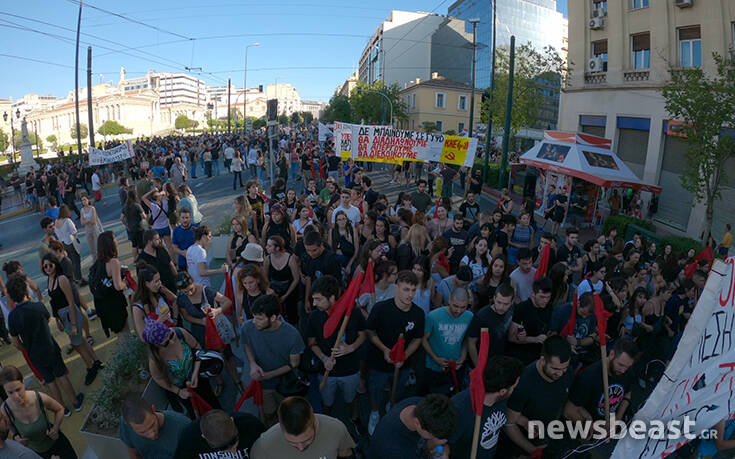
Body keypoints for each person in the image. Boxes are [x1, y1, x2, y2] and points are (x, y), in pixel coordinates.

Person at [6, 275, 85, 417]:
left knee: (50, 381)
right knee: (61, 375)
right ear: (25, 291)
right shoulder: (37, 306)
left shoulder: (13, 317)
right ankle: (75, 401)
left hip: (34, 353)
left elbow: (16, 342)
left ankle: (62, 408)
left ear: (11, 297)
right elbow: (48, 319)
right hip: (50, 347)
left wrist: (27, 348)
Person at [366, 270, 425, 434]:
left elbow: (417, 339)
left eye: (413, 290)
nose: (410, 295)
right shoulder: (380, 308)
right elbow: (370, 331)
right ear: (397, 288)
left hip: (404, 364)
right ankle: (375, 413)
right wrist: (385, 350)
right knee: (376, 390)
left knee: (398, 390)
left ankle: (390, 407)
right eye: (406, 289)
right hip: (379, 362)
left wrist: (404, 354)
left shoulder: (419, 314)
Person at [306, 275, 366, 424]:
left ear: (332, 298)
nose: (314, 304)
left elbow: (363, 334)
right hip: (325, 371)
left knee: (351, 398)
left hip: (350, 369)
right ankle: (327, 422)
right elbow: (311, 342)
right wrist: (324, 358)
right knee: (327, 401)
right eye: (313, 299)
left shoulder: (352, 313)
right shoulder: (314, 317)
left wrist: (351, 347)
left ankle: (354, 417)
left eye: (318, 299)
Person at [502, 335, 573, 457]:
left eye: (564, 368)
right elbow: (509, 424)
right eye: (555, 368)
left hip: (547, 436)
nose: (560, 373)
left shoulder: (567, 372)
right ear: (542, 360)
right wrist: (535, 452)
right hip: (522, 445)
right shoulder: (524, 383)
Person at [241, 294, 305, 427]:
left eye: (259, 319)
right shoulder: (248, 327)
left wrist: (268, 375)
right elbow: (246, 343)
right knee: (269, 413)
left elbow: (294, 364)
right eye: (254, 317)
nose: (254, 322)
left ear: (273, 317)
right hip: (265, 386)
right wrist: (252, 364)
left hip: (286, 384)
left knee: (288, 413)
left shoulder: (292, 335)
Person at [41, 254, 102, 386]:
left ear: (55, 264)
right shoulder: (49, 280)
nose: (47, 268)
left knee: (77, 344)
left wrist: (73, 324)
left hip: (70, 314)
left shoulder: (61, 279)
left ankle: (91, 368)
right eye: (44, 266)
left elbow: (70, 301)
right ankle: (96, 361)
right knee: (81, 340)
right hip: (63, 316)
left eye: (50, 265)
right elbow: (54, 302)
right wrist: (58, 320)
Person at [450, 356, 525, 459]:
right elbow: (437, 443)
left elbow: (499, 414)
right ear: (502, 391)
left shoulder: (500, 398)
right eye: (513, 387)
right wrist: (441, 452)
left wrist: (524, 422)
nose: (514, 390)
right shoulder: (459, 408)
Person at [0, 366, 76, 459]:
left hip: (58, 445)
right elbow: (9, 426)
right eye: (10, 392)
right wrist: (16, 436)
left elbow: (60, 409)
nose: (16, 396)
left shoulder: (38, 397)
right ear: (4, 391)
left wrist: (55, 428)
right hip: (36, 453)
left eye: (18, 389)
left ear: (23, 383)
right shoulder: (5, 410)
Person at [251, 396, 355, 458]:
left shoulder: (336, 429)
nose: (301, 448)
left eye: (307, 439)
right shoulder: (263, 446)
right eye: (292, 442)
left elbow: (346, 454)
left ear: (315, 422)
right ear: (281, 427)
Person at [564, 338, 637, 423]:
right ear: (612, 354)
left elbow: (628, 394)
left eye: (627, 367)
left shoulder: (627, 370)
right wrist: (594, 428)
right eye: (620, 365)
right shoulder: (589, 377)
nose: (623, 370)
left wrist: (618, 418)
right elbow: (568, 411)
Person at [368, 393, 457, 458]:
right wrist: (429, 448)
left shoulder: (423, 404)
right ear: (417, 423)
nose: (439, 439)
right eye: (434, 435)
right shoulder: (394, 449)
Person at [422, 288, 473, 395]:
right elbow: (423, 339)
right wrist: (435, 358)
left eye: (463, 307)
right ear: (449, 300)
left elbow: (466, 339)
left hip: (456, 367)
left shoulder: (469, 316)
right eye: (455, 306)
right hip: (434, 368)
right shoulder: (433, 316)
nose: (458, 311)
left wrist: (463, 357)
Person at [119, 395, 190, 459]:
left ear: (153, 409)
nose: (152, 435)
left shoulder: (183, 425)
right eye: (142, 432)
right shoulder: (125, 424)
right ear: (128, 425)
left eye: (152, 425)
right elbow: (133, 453)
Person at [174, 409, 265, 459]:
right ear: (204, 437)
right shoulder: (189, 438)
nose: (233, 452)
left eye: (233, 441)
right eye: (223, 448)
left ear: (232, 421)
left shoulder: (251, 425)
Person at [89, 231, 130, 339]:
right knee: (125, 333)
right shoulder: (113, 262)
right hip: (115, 302)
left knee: (119, 333)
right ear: (110, 243)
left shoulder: (99, 262)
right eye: (114, 238)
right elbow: (117, 285)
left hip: (104, 304)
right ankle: (127, 355)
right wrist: (125, 283)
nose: (116, 240)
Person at [468, 283, 516, 364]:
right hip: (485, 362)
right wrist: (478, 367)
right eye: (499, 302)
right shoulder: (482, 316)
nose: (501, 307)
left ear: (512, 302)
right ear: (494, 298)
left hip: (502, 360)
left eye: (505, 304)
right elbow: (471, 342)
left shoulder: (511, 310)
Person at [302, 232, 343, 315]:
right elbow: (309, 279)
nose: (311, 253)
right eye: (308, 250)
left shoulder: (331, 259)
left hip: (328, 301)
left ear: (321, 245)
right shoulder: (309, 258)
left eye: (314, 250)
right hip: (315, 298)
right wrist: (307, 300)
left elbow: (338, 284)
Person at [264, 236, 301, 325]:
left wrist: (286, 295)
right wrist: (269, 290)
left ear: (277, 248)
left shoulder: (290, 259)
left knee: (292, 315)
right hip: (274, 289)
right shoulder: (267, 259)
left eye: (269, 246)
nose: (266, 247)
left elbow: (296, 279)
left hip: (289, 289)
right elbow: (265, 278)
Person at [137, 229, 178, 293]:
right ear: (149, 241)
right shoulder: (142, 259)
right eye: (157, 239)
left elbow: (171, 265)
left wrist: (177, 278)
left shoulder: (161, 249)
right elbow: (143, 282)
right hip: (159, 292)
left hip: (172, 286)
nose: (160, 241)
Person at [53, 205, 83, 285]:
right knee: (76, 261)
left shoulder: (56, 221)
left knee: (69, 262)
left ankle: (73, 279)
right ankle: (79, 278)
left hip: (62, 244)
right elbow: (74, 232)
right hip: (70, 242)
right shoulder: (67, 220)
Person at [121, 189, 146, 258]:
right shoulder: (137, 205)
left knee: (134, 245)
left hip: (131, 229)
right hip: (139, 228)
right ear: (135, 196)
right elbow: (144, 216)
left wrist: (127, 225)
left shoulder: (125, 206)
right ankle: (141, 259)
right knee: (141, 245)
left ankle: (135, 259)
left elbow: (121, 218)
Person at [79, 194, 102, 260]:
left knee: (98, 244)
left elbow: (94, 220)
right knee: (91, 246)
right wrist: (88, 221)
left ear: (88, 200)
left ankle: (100, 258)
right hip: (87, 229)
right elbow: (82, 222)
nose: (83, 201)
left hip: (94, 227)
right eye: (82, 200)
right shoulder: (82, 210)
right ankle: (94, 260)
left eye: (84, 200)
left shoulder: (92, 208)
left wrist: (86, 221)